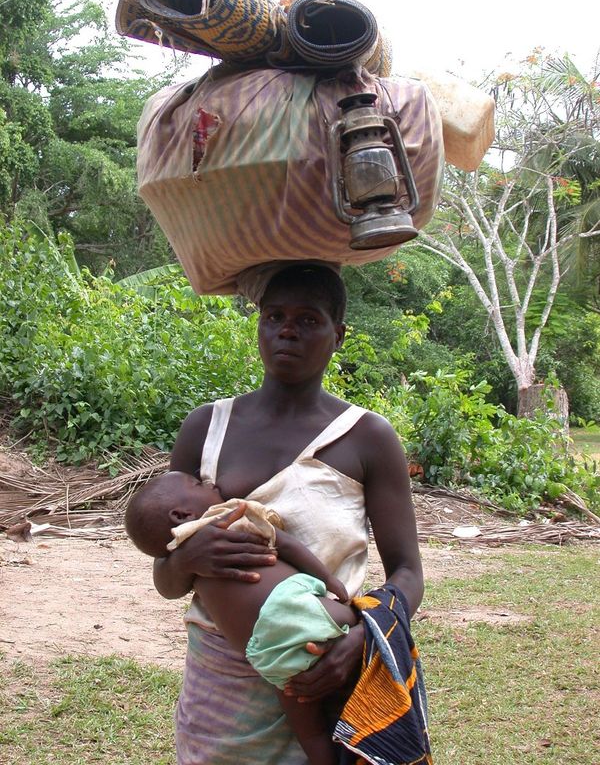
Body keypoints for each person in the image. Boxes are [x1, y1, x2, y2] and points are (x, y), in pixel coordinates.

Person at [153, 263, 424, 765]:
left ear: (338, 335)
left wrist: (366, 637)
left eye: (308, 318)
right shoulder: (205, 428)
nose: (287, 330)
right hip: (219, 697)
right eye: (274, 315)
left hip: (324, 668)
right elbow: (167, 580)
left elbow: (408, 572)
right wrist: (189, 558)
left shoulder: (367, 438)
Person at [125, 470, 357, 764]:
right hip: (302, 612)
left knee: (309, 731)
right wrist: (330, 581)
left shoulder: (182, 552)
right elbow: (284, 543)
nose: (210, 482)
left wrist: (182, 562)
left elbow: (166, 572)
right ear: (182, 514)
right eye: (198, 483)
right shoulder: (227, 516)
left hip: (269, 655)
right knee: (354, 621)